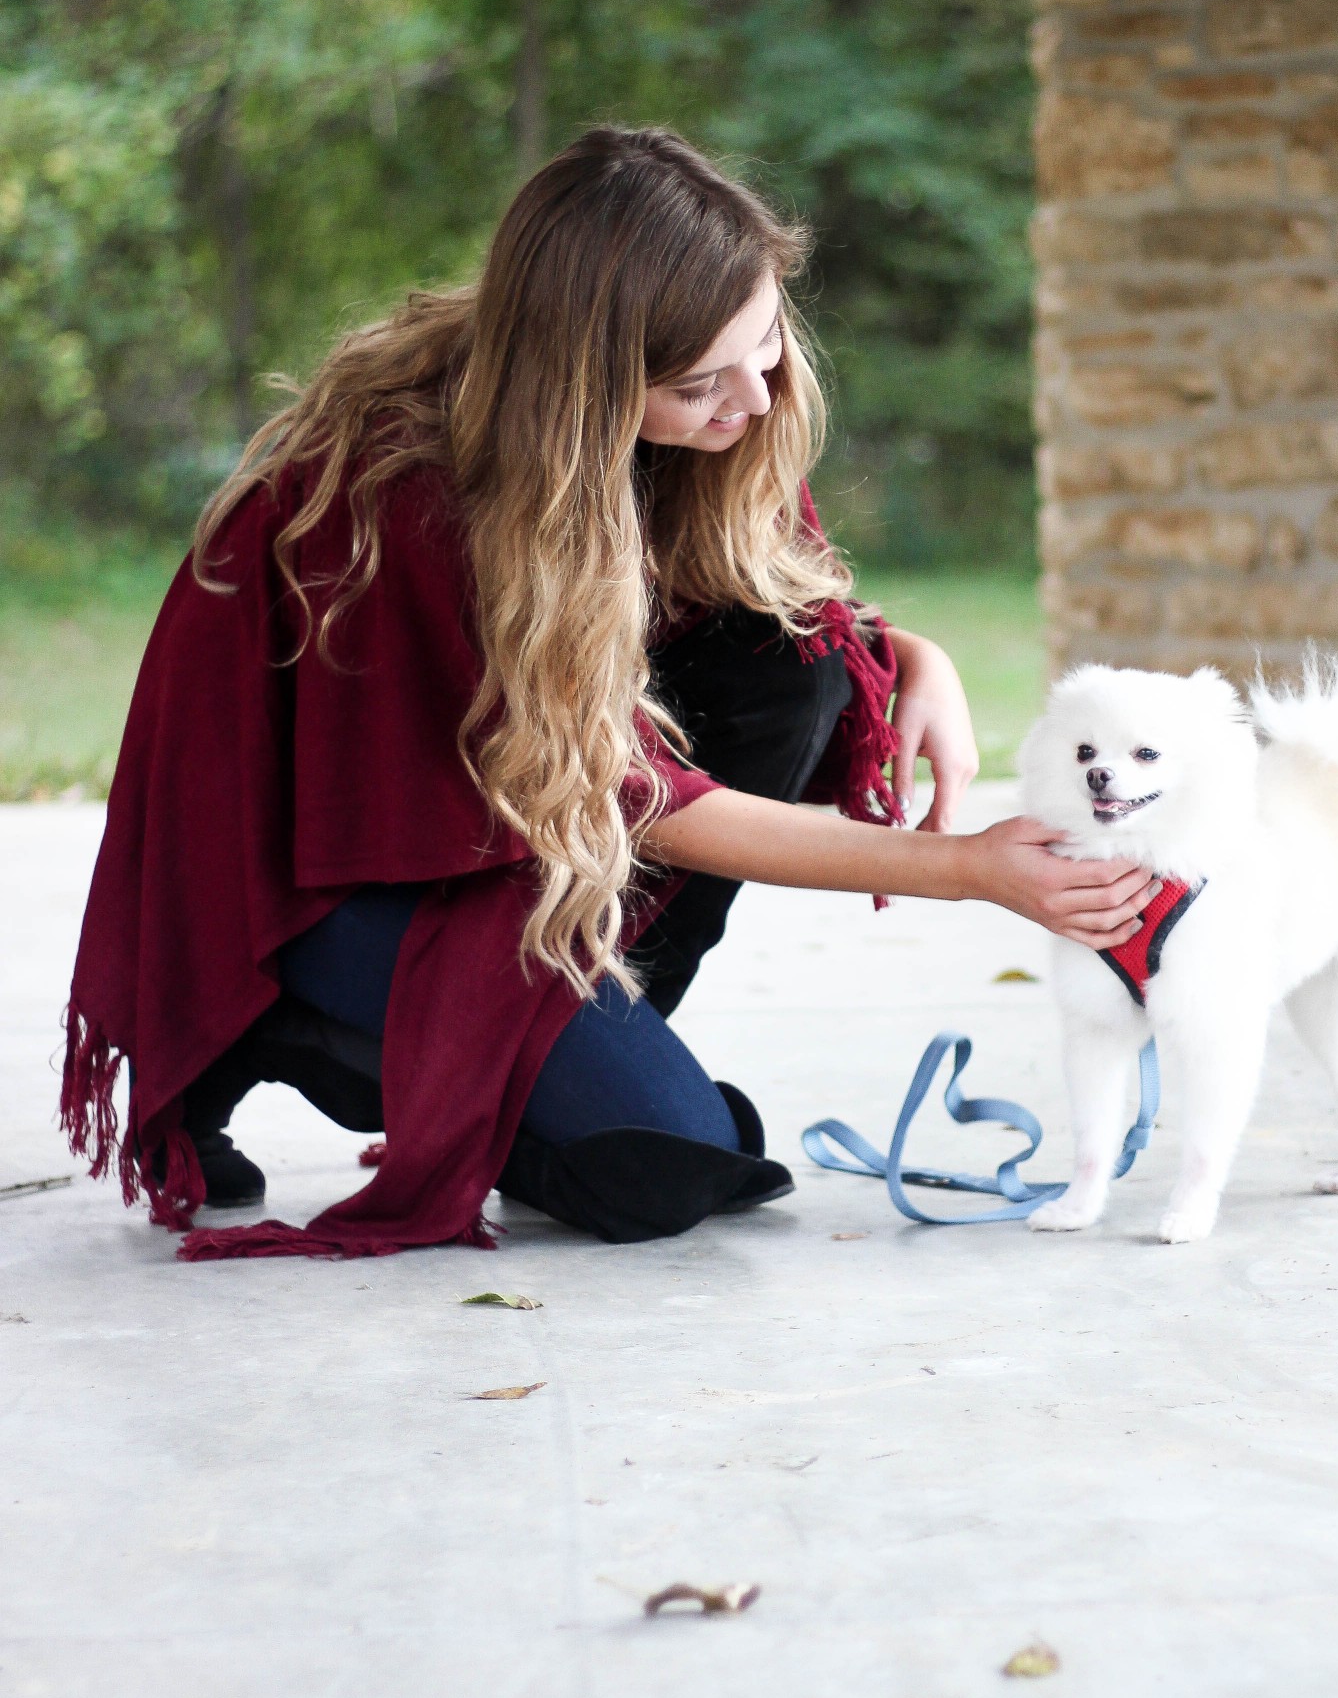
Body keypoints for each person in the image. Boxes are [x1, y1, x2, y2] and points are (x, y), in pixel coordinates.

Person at [60, 126, 1156, 1258]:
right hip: (316, 876)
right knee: (661, 1168)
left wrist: (915, 655)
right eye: (697, 382)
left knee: (803, 666)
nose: (752, 397)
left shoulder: (709, 414)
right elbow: (642, 794)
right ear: (583, 379)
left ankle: (574, 1054)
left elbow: (769, 609)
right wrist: (969, 870)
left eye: (766, 341)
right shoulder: (417, 492)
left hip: (488, 823)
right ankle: (271, 1023)